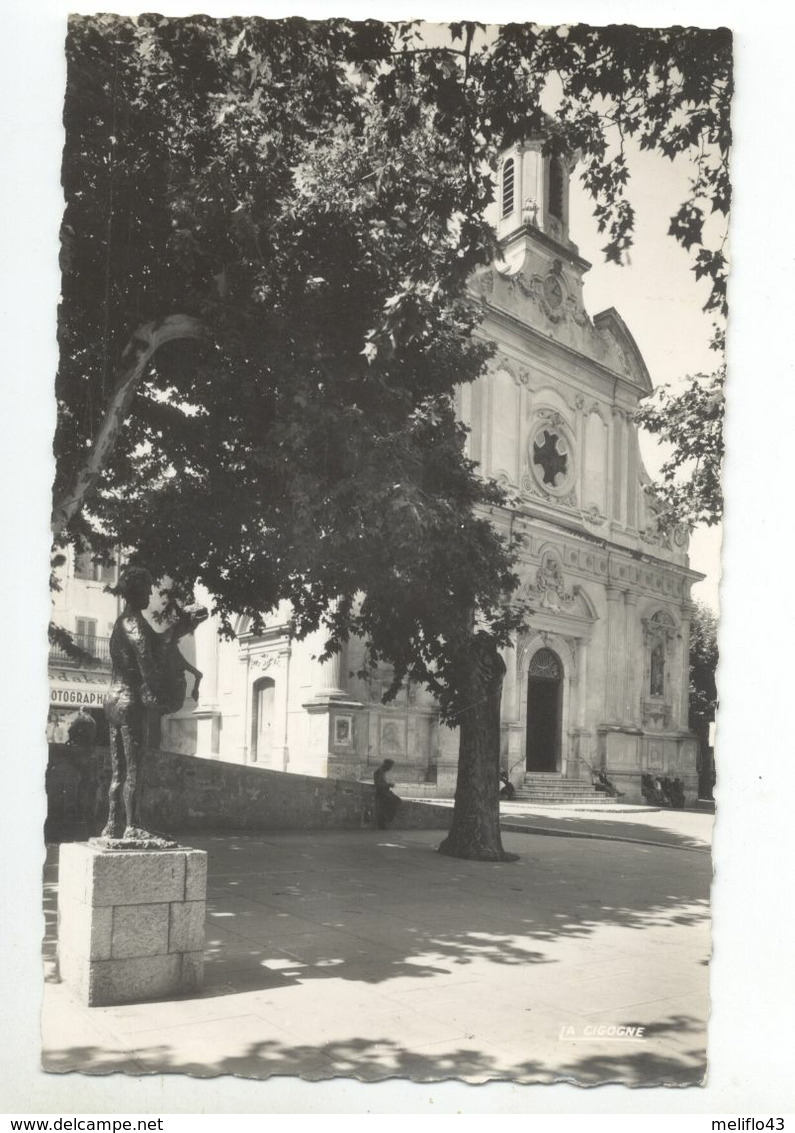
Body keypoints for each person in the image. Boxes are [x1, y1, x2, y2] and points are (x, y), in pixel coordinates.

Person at [102, 566, 166, 842]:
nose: (152, 593)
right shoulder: (134, 623)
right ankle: (133, 825)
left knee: (119, 769)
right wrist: (160, 693)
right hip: (130, 700)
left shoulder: (120, 623)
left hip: (112, 699)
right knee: (135, 767)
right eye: (148, 588)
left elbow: (158, 641)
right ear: (137, 591)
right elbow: (147, 664)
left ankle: (112, 824)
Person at [373, 758, 400, 830]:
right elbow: (378, 784)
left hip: (385, 792)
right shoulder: (379, 772)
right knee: (395, 801)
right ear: (387, 765)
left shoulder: (382, 772)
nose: (390, 768)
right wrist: (388, 785)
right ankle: (387, 819)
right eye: (390, 766)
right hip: (382, 793)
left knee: (395, 802)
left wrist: (388, 785)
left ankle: (385, 820)